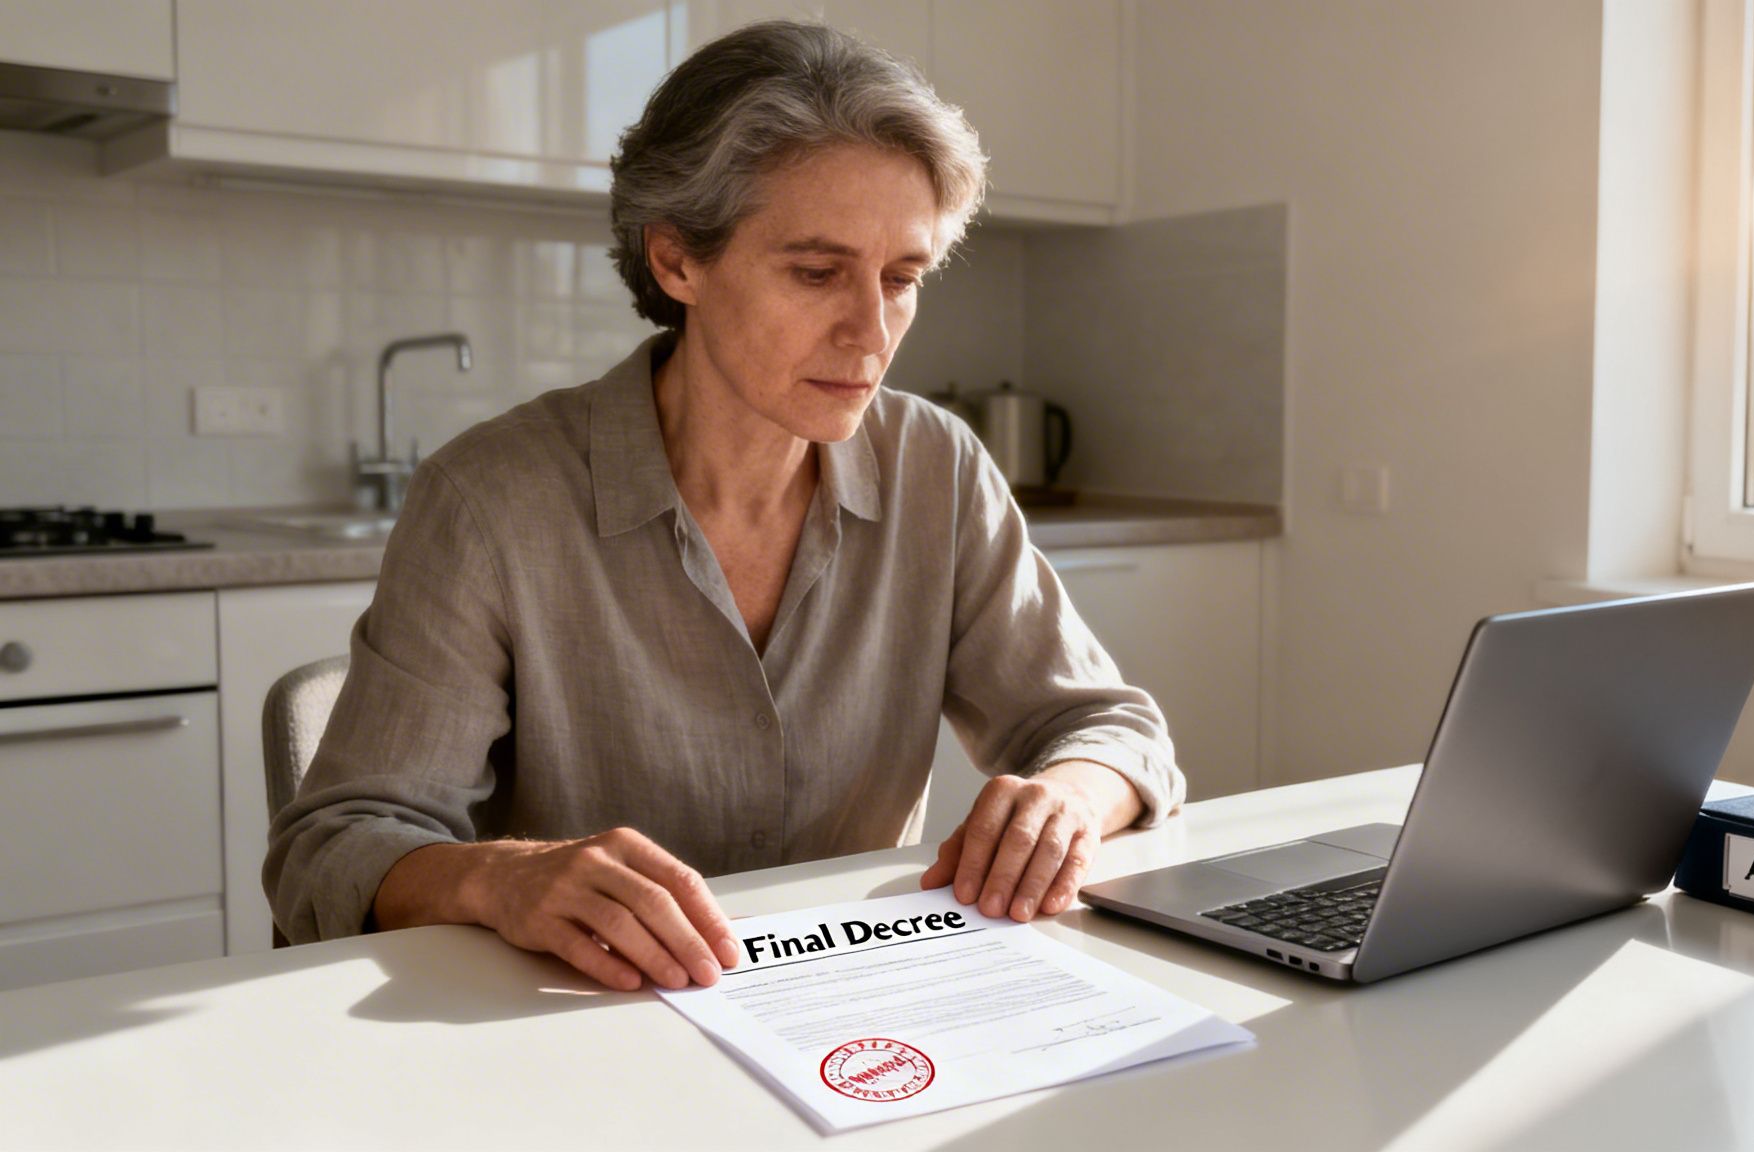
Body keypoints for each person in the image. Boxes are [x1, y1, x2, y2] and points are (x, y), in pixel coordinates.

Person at [264, 20, 1182, 994]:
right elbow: (330, 848)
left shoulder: (936, 467)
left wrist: (1065, 802)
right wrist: (502, 878)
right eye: (816, 272)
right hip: (573, 1027)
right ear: (677, 261)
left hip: (850, 1020)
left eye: (901, 279)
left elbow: (1112, 732)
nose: (871, 331)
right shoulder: (492, 501)